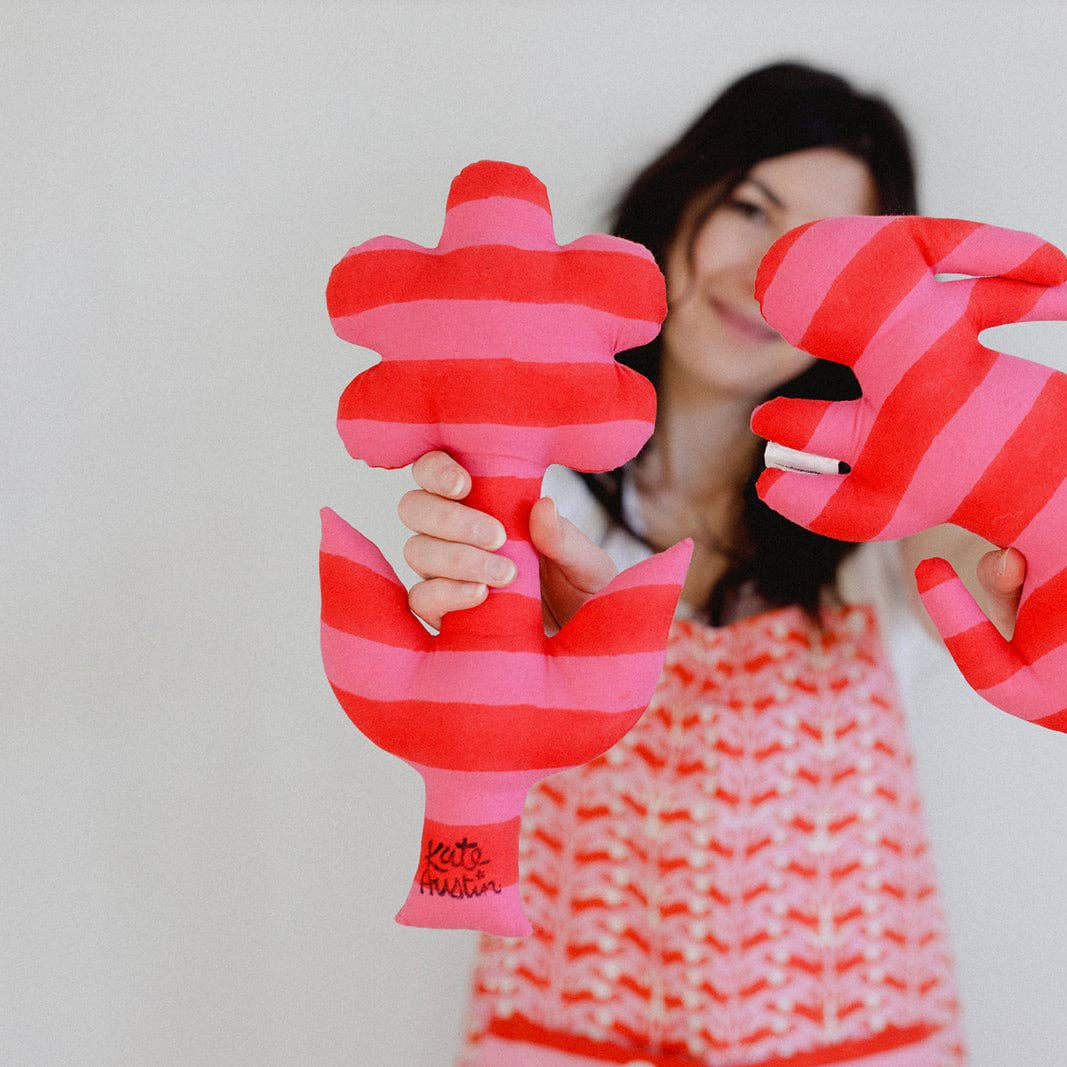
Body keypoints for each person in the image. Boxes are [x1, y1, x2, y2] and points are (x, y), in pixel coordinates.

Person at [397, 63, 1024, 1067]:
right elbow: (467, 705)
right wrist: (479, 622)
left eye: (813, 256)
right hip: (561, 1038)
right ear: (677, 192)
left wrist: (1023, 545)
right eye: (746, 208)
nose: (758, 276)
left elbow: (979, 544)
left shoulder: (882, 514)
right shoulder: (534, 490)